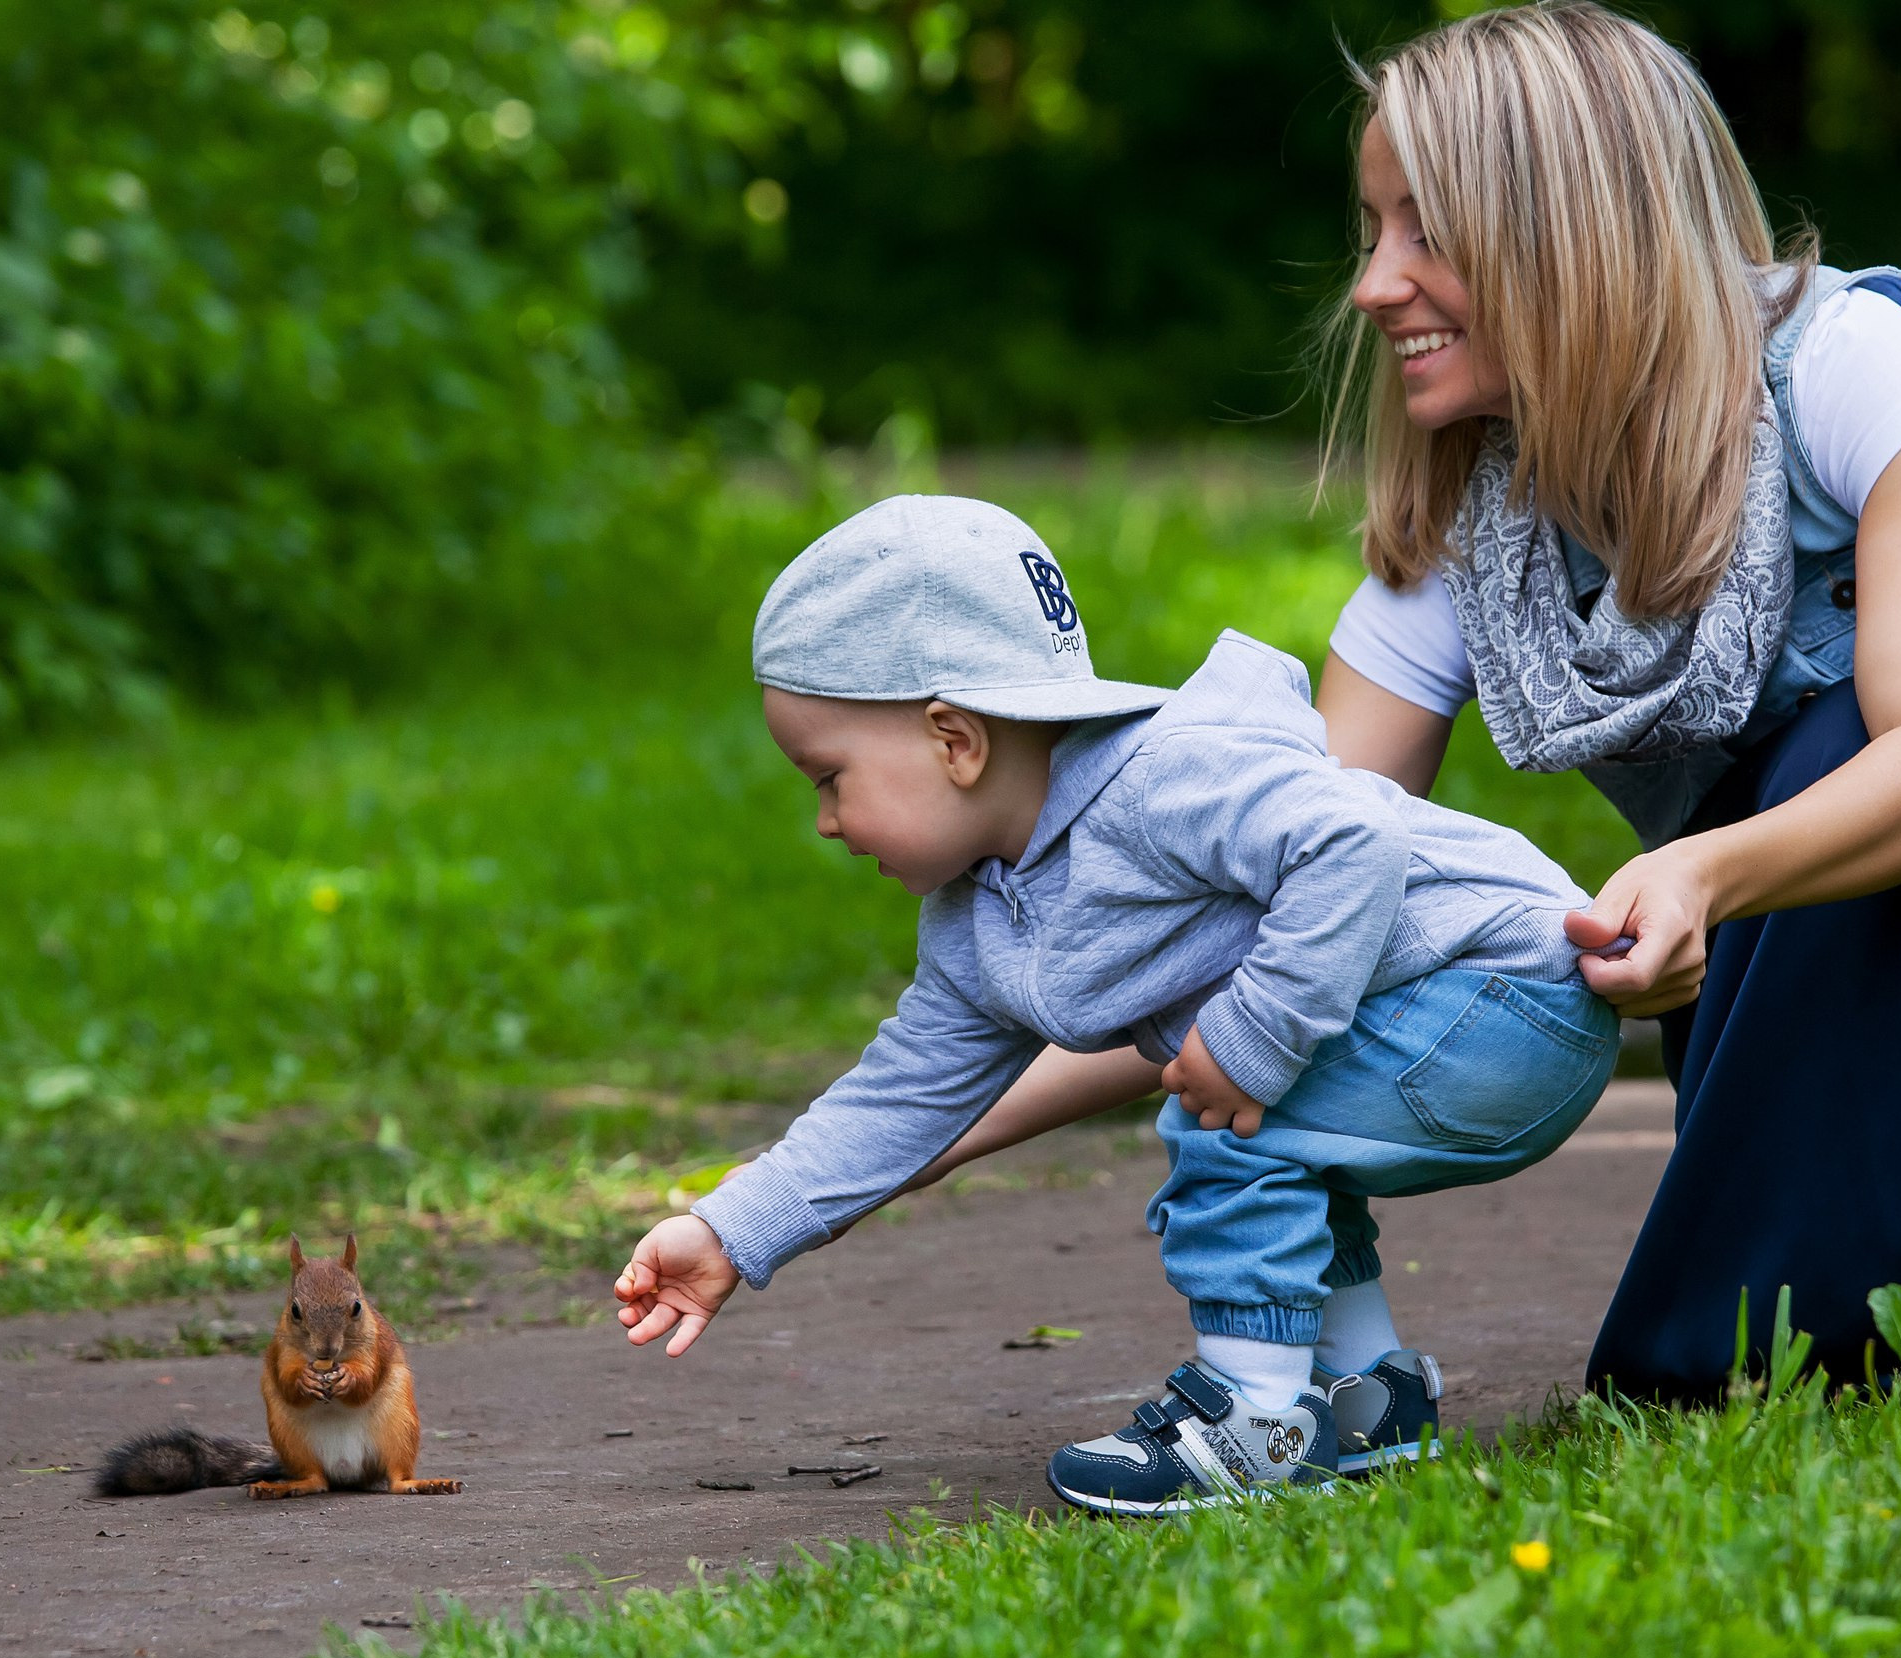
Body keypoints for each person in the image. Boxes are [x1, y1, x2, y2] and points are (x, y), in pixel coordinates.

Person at [926, 1, 1901, 1400]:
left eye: (1429, 234)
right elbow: (1246, 900)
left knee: (1855, 743)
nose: (1373, 286)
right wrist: (883, 1151)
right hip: (1847, 960)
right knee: (1734, 1359)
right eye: (1371, 231)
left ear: (1570, 230)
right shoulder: (1477, 528)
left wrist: (1700, 867)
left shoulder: (1843, 364)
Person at [611, 493, 1616, 1513]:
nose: (825, 821)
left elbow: (1354, 840)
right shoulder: (980, 930)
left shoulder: (1160, 778)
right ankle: (1364, 1397)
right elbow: (900, 1099)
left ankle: (1256, 1422)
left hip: (1511, 994)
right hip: (1453, 1025)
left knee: (1221, 1104)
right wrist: (733, 1231)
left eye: (828, 779)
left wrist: (1251, 1034)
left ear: (953, 739)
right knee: (1268, 1120)